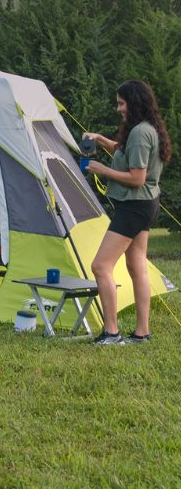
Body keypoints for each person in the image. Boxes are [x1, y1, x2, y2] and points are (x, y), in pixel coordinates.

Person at [84, 80, 172, 345]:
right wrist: (101, 140)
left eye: (121, 103)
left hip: (135, 206)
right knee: (136, 266)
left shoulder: (140, 133)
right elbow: (125, 155)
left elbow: (137, 177)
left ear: (133, 103)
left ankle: (112, 333)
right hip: (143, 205)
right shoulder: (143, 130)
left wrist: (103, 170)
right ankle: (142, 333)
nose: (118, 108)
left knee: (100, 266)